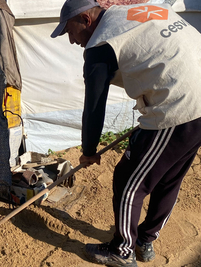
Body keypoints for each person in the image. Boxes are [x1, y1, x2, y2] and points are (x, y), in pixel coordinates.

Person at [51, 0, 201, 266]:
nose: (72, 41)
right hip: (195, 99)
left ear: (86, 20)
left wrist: (88, 151)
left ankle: (122, 250)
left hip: (180, 106)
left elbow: (94, 107)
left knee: (129, 181)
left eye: (70, 31)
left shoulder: (101, 46)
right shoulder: (131, 13)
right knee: (168, 177)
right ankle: (145, 241)